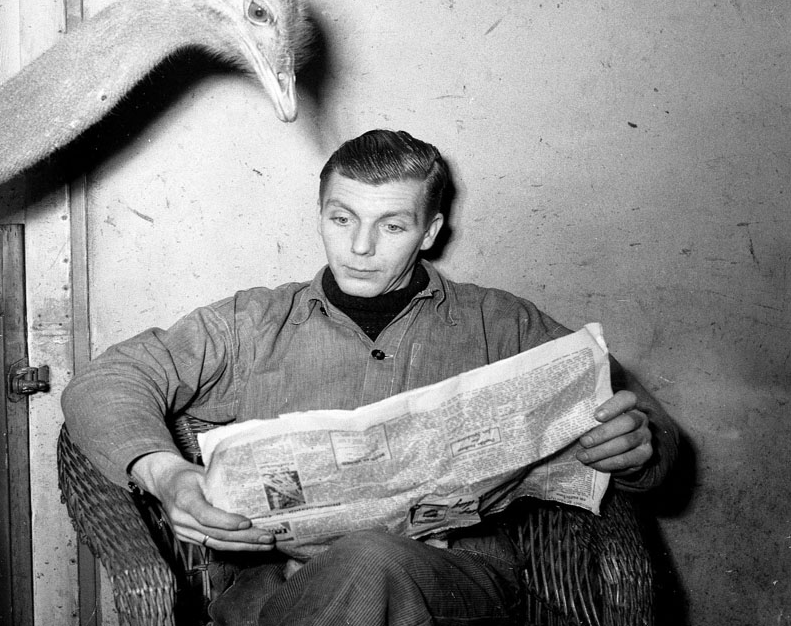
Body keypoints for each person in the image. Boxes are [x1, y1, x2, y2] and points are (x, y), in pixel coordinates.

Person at [62, 129, 679, 626]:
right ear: (320, 215)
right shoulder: (253, 324)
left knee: (370, 558)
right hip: (280, 591)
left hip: (457, 585)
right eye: (342, 218)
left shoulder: (501, 323)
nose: (360, 247)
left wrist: (637, 447)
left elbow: (650, 430)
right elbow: (104, 381)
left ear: (429, 232)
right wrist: (166, 475)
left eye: (392, 226)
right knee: (360, 566)